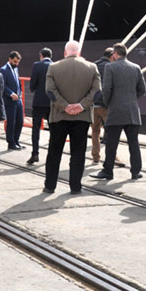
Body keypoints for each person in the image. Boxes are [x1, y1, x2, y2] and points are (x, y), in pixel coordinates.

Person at [44, 40, 100, 194]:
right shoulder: (92, 67)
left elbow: (49, 91)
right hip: (82, 118)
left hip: (59, 117)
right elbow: (97, 91)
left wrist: (65, 106)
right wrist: (81, 106)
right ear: (79, 53)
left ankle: (50, 186)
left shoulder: (53, 67)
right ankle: (75, 187)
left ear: (65, 52)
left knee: (54, 152)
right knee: (78, 153)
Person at [93, 43, 146, 181]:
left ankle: (108, 171)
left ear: (115, 54)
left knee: (111, 143)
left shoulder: (110, 67)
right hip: (132, 111)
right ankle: (136, 171)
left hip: (115, 111)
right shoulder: (136, 67)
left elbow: (106, 89)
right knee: (133, 143)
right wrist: (132, 99)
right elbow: (143, 89)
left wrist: (108, 103)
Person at [26, 47, 52, 165]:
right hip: (52, 102)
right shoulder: (55, 65)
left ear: (41, 55)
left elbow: (32, 85)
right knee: (53, 129)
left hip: (38, 102)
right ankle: (52, 155)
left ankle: (35, 154)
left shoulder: (37, 65)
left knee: (36, 129)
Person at [90, 46, 113, 164]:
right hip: (106, 105)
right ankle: (112, 157)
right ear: (112, 56)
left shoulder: (93, 65)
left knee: (95, 131)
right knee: (111, 132)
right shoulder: (111, 67)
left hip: (93, 104)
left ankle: (95, 156)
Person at [0, 51, 24, 150]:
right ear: (9, 59)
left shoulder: (16, 69)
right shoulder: (3, 70)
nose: (16, 64)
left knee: (20, 121)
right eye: (15, 61)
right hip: (9, 100)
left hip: (18, 99)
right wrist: (10, 93)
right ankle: (11, 143)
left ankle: (16, 141)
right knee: (11, 122)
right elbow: (2, 85)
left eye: (18, 62)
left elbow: (18, 82)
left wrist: (20, 92)